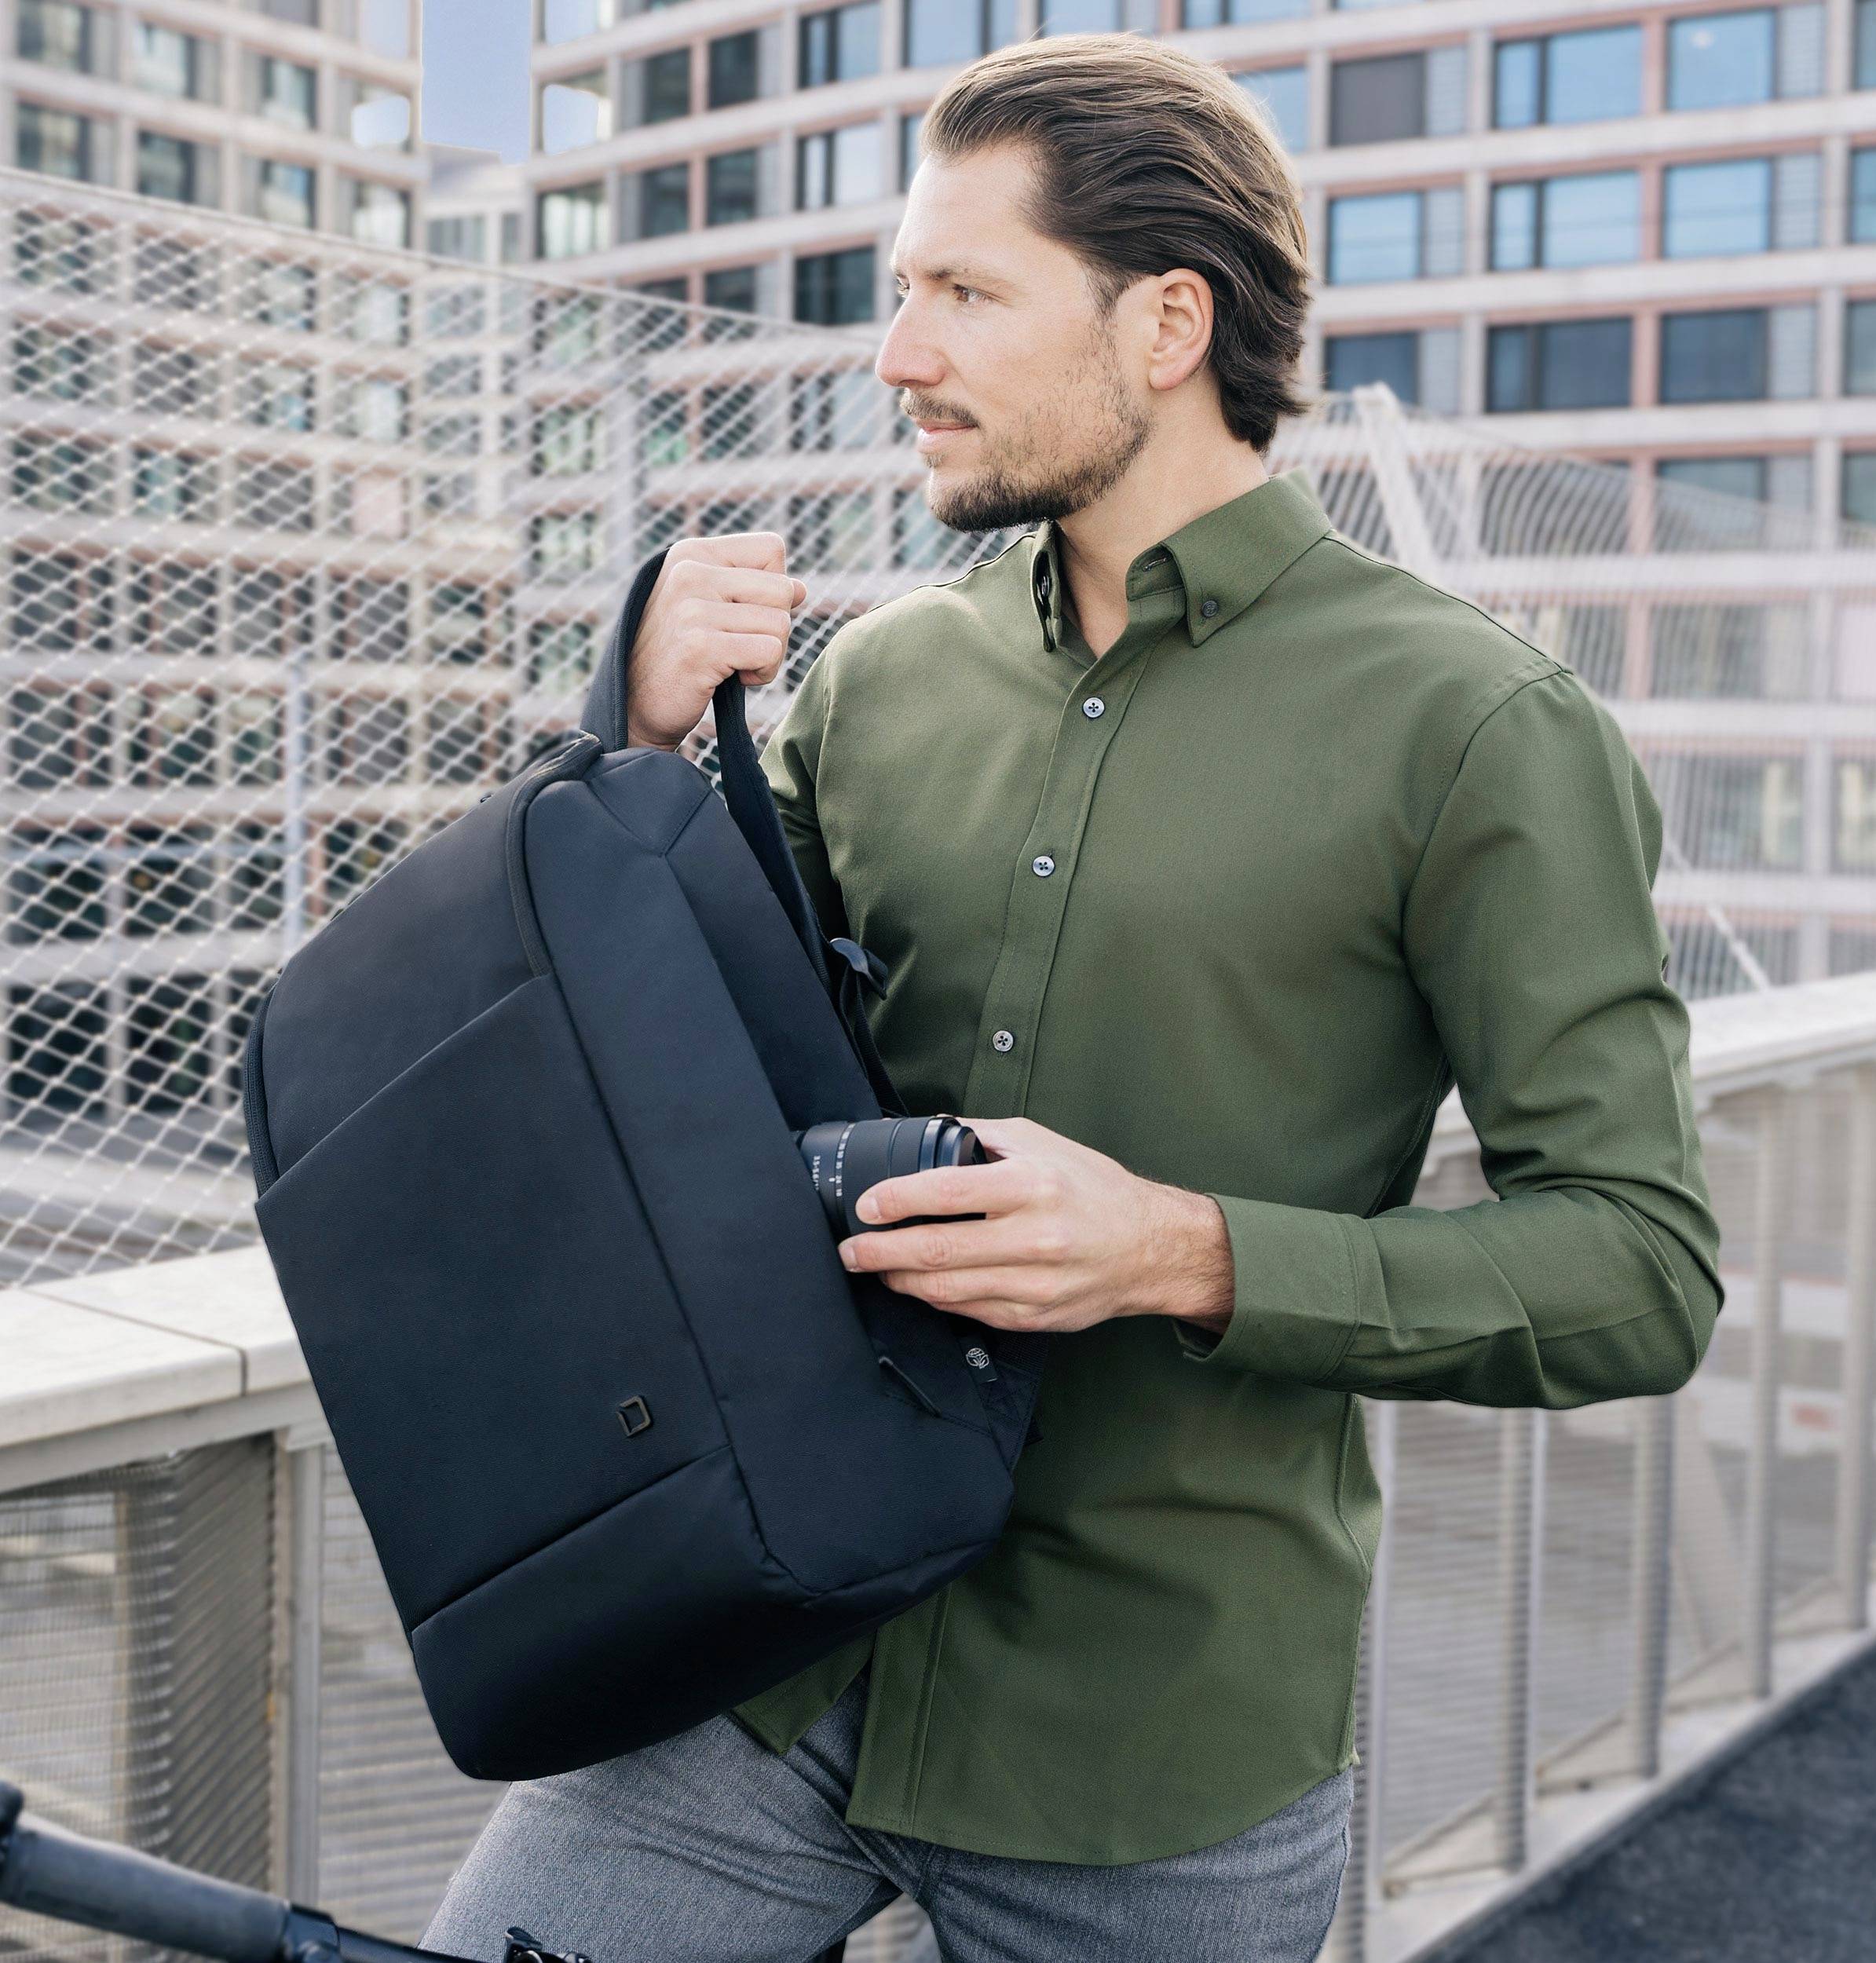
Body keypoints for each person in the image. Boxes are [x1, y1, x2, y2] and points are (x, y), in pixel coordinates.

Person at [422, 32, 1723, 1963]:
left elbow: (1638, 1266)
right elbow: (647, 1070)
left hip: (1161, 1755)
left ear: (1164, 321)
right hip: (773, 1647)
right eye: (896, 296)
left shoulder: (1476, 729)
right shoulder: (867, 686)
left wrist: (1182, 1251)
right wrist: (618, 760)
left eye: (962, 292)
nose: (897, 356)